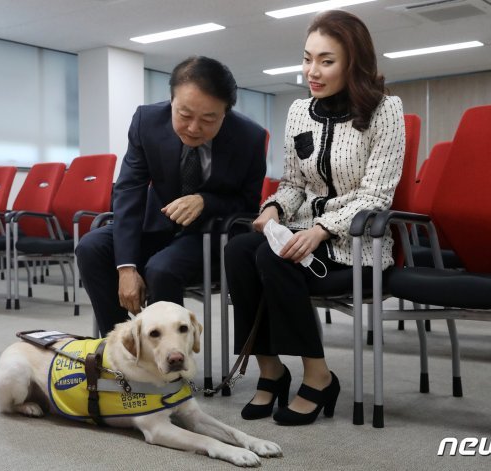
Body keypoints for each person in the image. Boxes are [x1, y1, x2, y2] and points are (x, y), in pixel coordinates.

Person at [224, 10, 405, 426]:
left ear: (353, 62)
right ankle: (270, 371)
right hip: (302, 232)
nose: (312, 71)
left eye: (326, 60)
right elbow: (293, 184)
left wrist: (323, 229)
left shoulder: (385, 110)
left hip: (355, 243)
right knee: (238, 251)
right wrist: (273, 209)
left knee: (273, 258)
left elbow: (377, 195)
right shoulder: (299, 111)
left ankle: (318, 375)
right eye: (307, 59)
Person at [77, 56, 267, 337]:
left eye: (208, 119)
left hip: (208, 232)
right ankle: (119, 352)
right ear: (171, 101)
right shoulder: (147, 121)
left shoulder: (250, 137)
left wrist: (205, 200)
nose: (193, 128)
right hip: (159, 222)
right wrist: (126, 267)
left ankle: (171, 367)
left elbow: (249, 205)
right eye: (184, 114)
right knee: (92, 246)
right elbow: (129, 190)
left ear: (225, 112)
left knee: (161, 269)